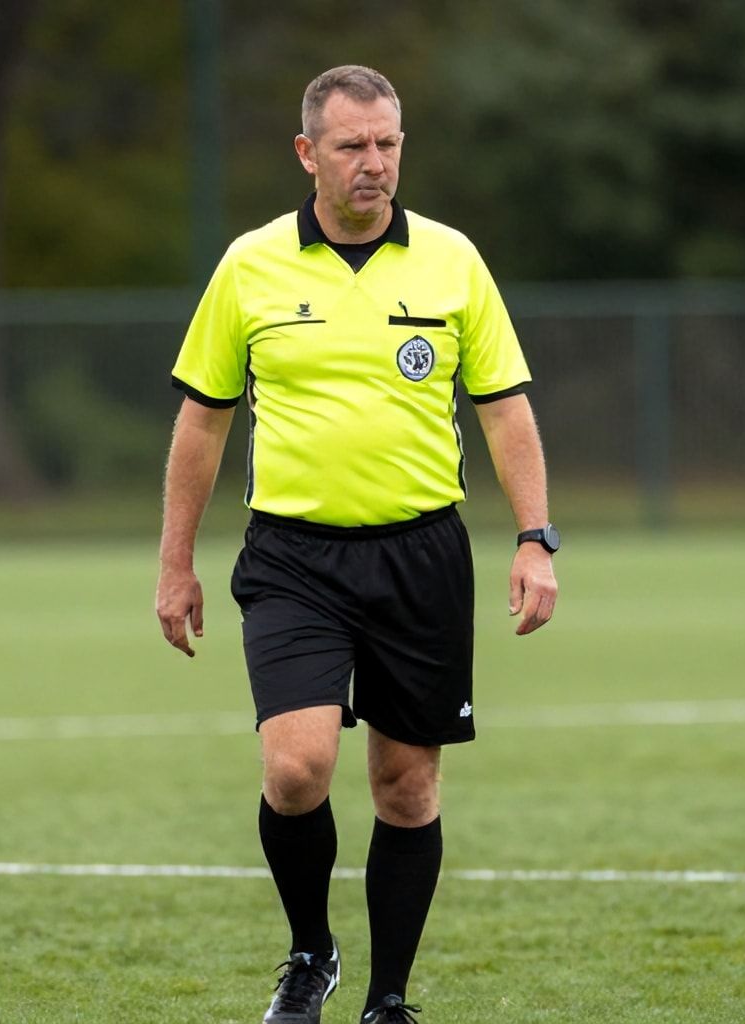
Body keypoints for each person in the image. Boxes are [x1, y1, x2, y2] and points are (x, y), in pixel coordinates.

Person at [155, 66, 559, 1024]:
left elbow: (505, 409)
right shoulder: (249, 265)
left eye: (387, 143)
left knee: (405, 786)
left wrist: (535, 538)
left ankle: (389, 999)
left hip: (421, 555)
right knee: (296, 769)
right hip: (293, 558)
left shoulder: (453, 260)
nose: (373, 162)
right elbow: (202, 421)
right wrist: (175, 562)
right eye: (351, 146)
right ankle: (310, 955)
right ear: (308, 153)